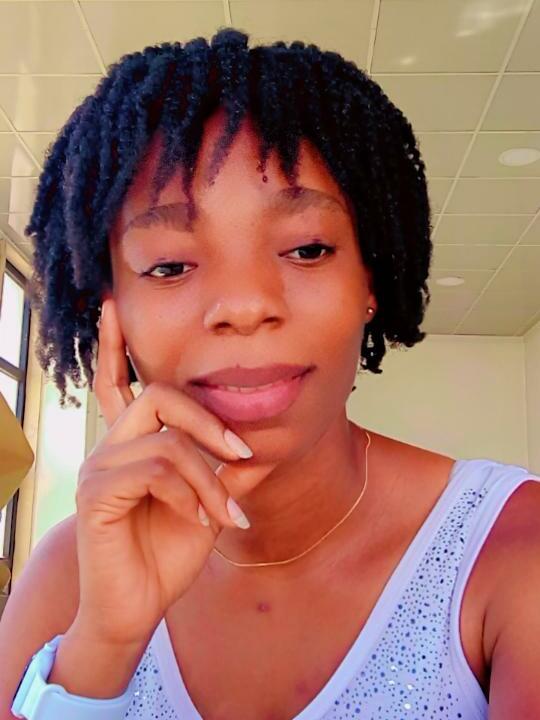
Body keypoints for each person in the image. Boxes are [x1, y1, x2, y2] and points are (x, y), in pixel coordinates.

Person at [1, 27, 539, 720]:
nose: (245, 305)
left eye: (308, 249)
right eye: (169, 265)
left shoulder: (510, 552)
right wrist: (103, 645)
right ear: (109, 312)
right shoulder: (66, 577)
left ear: (371, 279)